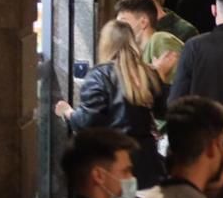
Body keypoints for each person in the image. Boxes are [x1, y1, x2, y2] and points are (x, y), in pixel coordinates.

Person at [55, 19, 167, 188]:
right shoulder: (148, 73)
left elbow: (86, 121)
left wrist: (67, 112)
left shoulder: (99, 76)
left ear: (106, 44)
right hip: (147, 159)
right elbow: (161, 110)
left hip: (113, 159)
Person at [116, 0, 187, 83]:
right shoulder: (137, 52)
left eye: (123, 22)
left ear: (143, 22)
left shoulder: (160, 40)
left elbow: (174, 86)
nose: (118, 28)